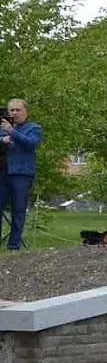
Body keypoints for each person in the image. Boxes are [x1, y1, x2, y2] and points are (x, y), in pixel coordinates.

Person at [0, 99, 41, 250]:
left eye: (18, 110)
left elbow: (31, 143)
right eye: (12, 110)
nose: (15, 113)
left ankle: (13, 245)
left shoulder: (34, 128)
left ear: (25, 112)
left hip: (21, 174)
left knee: (18, 210)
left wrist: (12, 131)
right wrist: (2, 139)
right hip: (3, 173)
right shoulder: (2, 128)